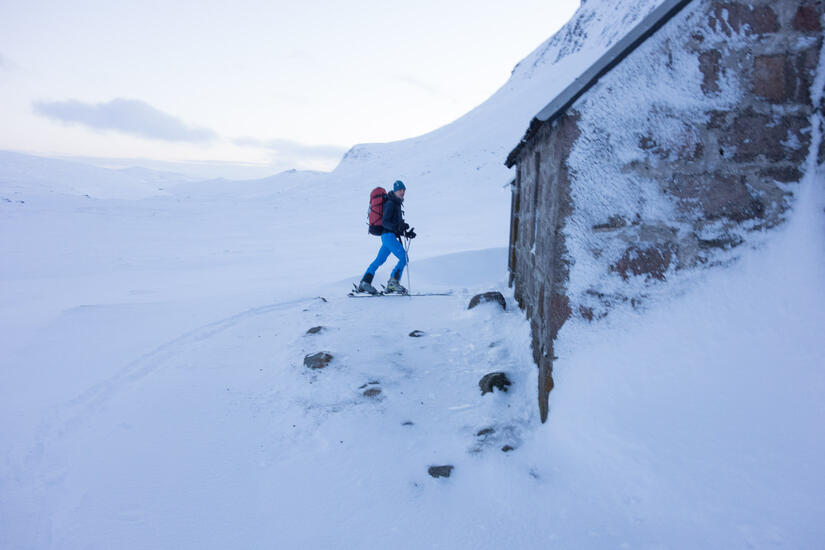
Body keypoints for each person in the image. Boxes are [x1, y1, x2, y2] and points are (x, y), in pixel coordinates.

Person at [358, 180, 416, 294]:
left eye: (404, 189)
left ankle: (365, 282)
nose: (403, 191)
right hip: (388, 236)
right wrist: (397, 227)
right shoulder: (390, 203)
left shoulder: (397, 203)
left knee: (379, 260)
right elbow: (385, 222)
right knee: (404, 258)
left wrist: (406, 233)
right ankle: (393, 283)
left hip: (388, 236)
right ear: (395, 191)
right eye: (400, 190)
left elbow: (395, 226)